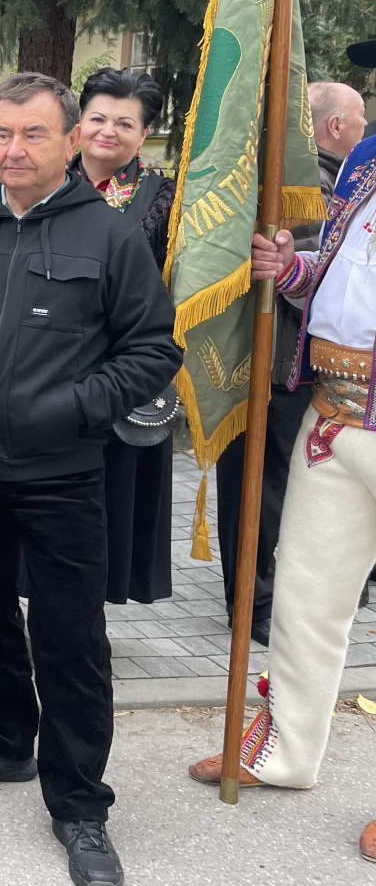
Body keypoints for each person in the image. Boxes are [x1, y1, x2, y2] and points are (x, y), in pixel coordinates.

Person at [0, 72, 181, 886]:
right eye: (2, 133)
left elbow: (153, 349)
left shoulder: (109, 236)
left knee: (70, 639)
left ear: (70, 140)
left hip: (62, 472)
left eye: (32, 133)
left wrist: (74, 409)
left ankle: (80, 804)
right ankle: (3, 739)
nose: (13, 149)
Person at [188, 123, 376, 863]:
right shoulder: (365, 158)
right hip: (331, 414)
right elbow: (345, 278)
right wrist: (294, 271)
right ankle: (287, 753)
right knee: (303, 598)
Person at [215, 77, 367, 642]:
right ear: (334, 125)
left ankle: (267, 598)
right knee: (264, 488)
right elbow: (307, 270)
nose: (364, 128)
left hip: (290, 364)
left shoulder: (338, 178)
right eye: (358, 119)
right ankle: (255, 603)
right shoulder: (304, 186)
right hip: (278, 361)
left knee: (279, 487)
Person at [68, 68, 178, 606]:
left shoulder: (165, 198)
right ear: (78, 122)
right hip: (50, 363)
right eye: (98, 118)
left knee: (113, 499)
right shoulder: (43, 181)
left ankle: (90, 617)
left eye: (125, 123)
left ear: (144, 134)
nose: (108, 131)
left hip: (123, 372)